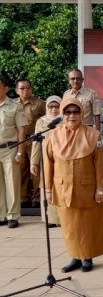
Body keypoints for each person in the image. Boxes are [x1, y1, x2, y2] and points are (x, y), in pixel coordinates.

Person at [44, 96, 103, 273]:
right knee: (70, 226)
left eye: (76, 111)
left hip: (87, 188)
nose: (72, 115)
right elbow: (48, 164)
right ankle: (75, 256)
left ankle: (87, 257)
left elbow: (100, 164)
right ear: (62, 113)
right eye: (67, 111)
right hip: (63, 187)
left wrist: (100, 188)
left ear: (82, 113)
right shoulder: (53, 135)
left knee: (88, 224)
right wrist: (48, 189)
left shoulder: (92, 135)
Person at [0, 73, 27, 229]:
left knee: (12, 183)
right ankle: (1, 214)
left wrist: (20, 151)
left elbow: (21, 130)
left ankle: (13, 215)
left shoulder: (15, 106)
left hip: (10, 149)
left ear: (6, 88)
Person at [31, 95, 62, 228]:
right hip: (45, 159)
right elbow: (36, 143)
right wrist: (34, 162)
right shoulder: (41, 122)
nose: (54, 109)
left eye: (56, 106)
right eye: (51, 106)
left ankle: (62, 218)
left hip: (62, 159)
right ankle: (49, 218)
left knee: (61, 187)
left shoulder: (65, 120)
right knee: (46, 186)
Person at [15, 79, 46, 208]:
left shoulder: (39, 104)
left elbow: (46, 119)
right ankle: (24, 197)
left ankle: (37, 198)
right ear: (17, 90)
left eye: (27, 88)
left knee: (36, 169)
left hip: (35, 140)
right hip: (20, 140)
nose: (25, 90)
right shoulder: (13, 105)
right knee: (22, 169)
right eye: (22, 88)